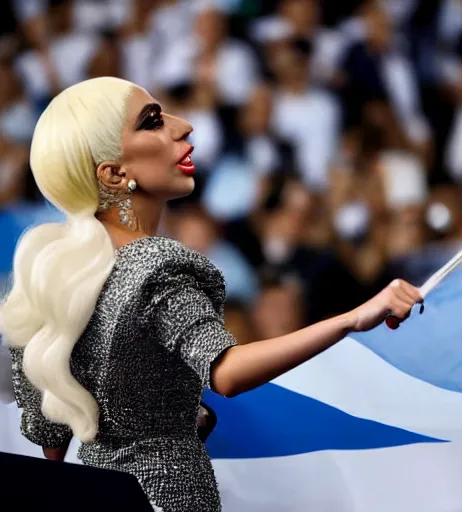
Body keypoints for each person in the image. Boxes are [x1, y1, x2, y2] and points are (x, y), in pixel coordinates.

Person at [0, 77, 422, 512]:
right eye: (153, 123)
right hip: (170, 494)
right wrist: (352, 318)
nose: (184, 127)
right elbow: (228, 373)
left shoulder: (50, 276)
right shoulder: (156, 264)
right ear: (113, 172)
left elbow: (50, 442)